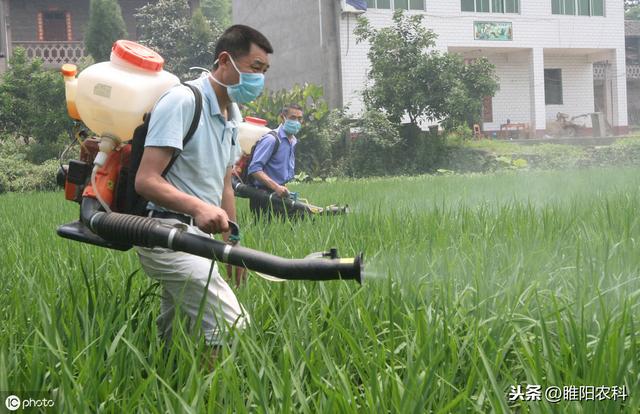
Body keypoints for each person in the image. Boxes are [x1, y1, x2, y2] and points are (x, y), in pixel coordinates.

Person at [134, 25, 273, 348]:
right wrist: (198, 207)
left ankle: (164, 379)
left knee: (178, 331)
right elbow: (146, 180)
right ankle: (212, 399)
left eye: (264, 71)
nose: (259, 79)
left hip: (198, 239)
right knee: (231, 324)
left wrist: (232, 243)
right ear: (225, 60)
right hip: (165, 234)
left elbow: (225, 184)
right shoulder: (182, 101)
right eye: (255, 68)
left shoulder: (232, 115)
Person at [246, 103, 303, 218]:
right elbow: (254, 169)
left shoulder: (293, 141)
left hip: (279, 193)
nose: (296, 122)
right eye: (293, 118)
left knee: (300, 219)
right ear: (283, 118)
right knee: (267, 231)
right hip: (262, 195)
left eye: (299, 119)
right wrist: (276, 187)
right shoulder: (271, 139)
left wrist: (280, 188)